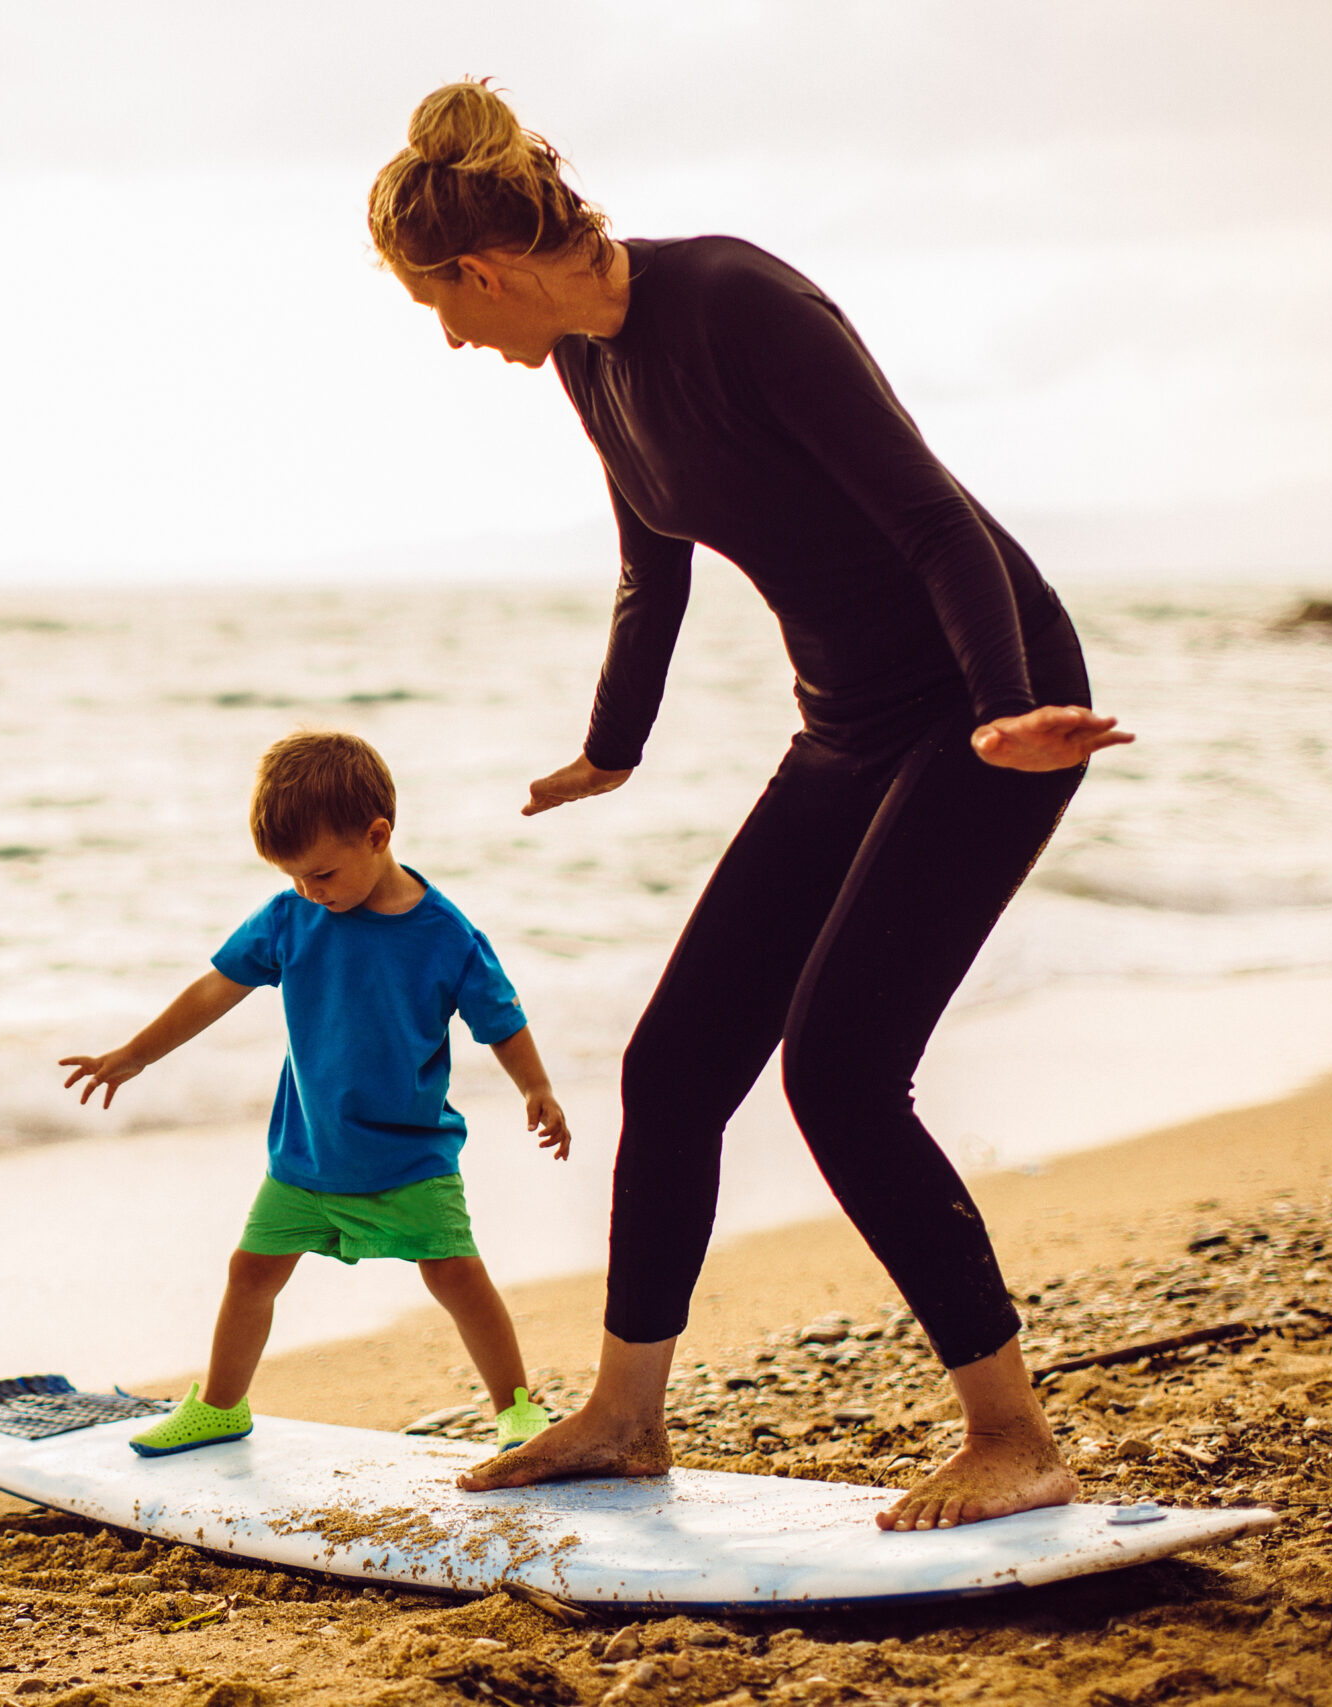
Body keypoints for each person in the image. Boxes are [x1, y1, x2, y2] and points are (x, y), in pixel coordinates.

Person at [366, 81, 1135, 1531]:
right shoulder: (593, 367)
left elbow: (934, 517)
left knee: (841, 1068)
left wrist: (1000, 711)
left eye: (442, 311)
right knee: (672, 1071)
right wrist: (613, 746)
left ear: (479, 268)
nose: (458, 341)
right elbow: (655, 564)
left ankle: (1015, 1434)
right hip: (844, 726)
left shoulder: (738, 302)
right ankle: (625, 1416)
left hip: (990, 704)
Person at [57, 730, 575, 1456]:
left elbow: (502, 1019)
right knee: (251, 1273)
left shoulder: (446, 935)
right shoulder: (290, 917)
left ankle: (516, 1407)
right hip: (307, 1155)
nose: (309, 890)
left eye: (322, 873)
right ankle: (221, 1406)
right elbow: (215, 989)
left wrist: (537, 1086)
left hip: (410, 1158)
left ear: (377, 835)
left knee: (457, 1275)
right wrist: (135, 1054)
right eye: (294, 876)